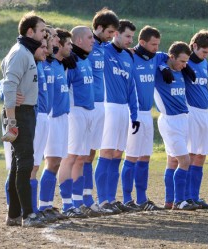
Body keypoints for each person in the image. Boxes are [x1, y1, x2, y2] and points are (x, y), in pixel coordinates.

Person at [1, 11, 47, 227]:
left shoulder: (26, 51)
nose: (44, 35)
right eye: (41, 31)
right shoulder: (20, 52)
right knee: (25, 163)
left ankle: (14, 214)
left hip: (25, 112)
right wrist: (11, 120)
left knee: (18, 165)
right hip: (19, 114)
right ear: (30, 31)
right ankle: (28, 215)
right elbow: (9, 83)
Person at [121, 25, 169, 211]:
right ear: (142, 42)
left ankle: (142, 198)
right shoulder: (130, 56)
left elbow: (166, 56)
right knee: (131, 157)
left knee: (145, 157)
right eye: (153, 44)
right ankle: (127, 199)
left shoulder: (156, 58)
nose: (156, 47)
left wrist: (164, 66)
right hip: (133, 112)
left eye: (158, 44)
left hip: (148, 114)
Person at [94, 20, 139, 213]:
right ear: (115, 34)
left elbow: (131, 89)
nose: (131, 41)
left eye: (132, 37)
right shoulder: (104, 50)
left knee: (118, 155)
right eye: (127, 36)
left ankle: (111, 198)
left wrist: (134, 114)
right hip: (109, 107)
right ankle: (102, 200)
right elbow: (93, 41)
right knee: (106, 153)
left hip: (124, 111)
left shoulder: (129, 57)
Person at [81, 7, 119, 216]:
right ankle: (79, 199)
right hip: (85, 106)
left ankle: (89, 198)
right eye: (110, 32)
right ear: (98, 28)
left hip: (100, 105)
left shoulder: (104, 47)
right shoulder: (85, 45)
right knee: (80, 155)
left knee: (91, 153)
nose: (113, 37)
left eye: (115, 33)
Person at [154, 41, 197, 211]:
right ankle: (180, 201)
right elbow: (154, 57)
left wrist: (183, 66)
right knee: (184, 160)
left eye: (187, 62)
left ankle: (169, 201)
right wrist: (164, 66)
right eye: (182, 61)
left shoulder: (181, 71)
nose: (184, 65)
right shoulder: (160, 72)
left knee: (172, 161)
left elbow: (182, 66)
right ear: (171, 57)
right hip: (170, 121)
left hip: (183, 119)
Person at [58, 26, 95, 217]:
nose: (93, 40)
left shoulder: (85, 59)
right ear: (78, 40)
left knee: (82, 158)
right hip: (75, 113)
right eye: (89, 37)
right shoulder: (71, 62)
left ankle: (77, 201)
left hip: (88, 112)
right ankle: (66, 204)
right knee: (70, 157)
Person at [38, 28, 72, 219]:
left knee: (57, 163)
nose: (56, 42)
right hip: (50, 118)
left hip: (62, 119)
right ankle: (43, 206)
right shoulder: (44, 64)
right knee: (50, 162)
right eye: (53, 39)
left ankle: (48, 205)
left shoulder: (59, 64)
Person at [184, 29, 208, 209]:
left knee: (201, 154)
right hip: (191, 111)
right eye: (204, 52)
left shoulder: (204, 63)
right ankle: (186, 196)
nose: (205, 56)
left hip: (204, 112)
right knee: (190, 153)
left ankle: (195, 197)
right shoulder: (185, 62)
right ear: (194, 46)